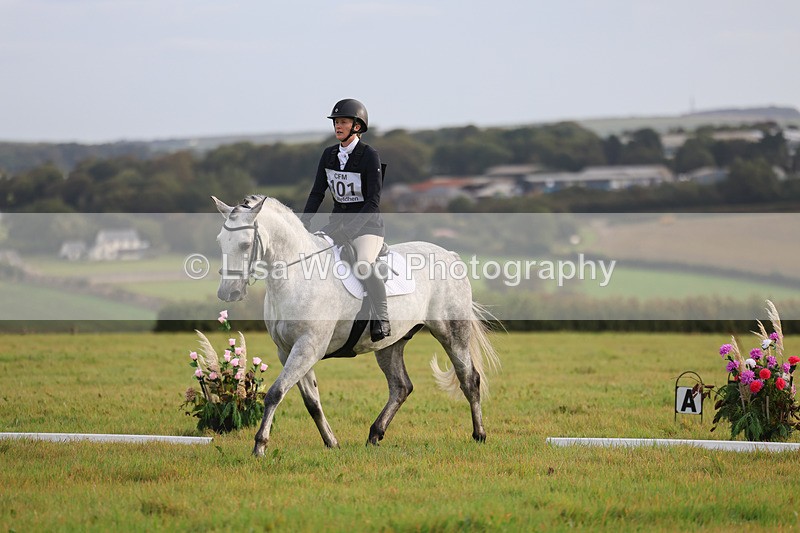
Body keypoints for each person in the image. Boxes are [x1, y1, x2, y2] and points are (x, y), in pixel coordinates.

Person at [300, 98, 390, 342]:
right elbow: (317, 193)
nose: (338, 126)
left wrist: (350, 230)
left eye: (343, 122)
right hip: (337, 224)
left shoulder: (369, 155)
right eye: (336, 122)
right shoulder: (329, 155)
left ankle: (381, 316)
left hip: (367, 226)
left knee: (362, 264)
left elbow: (373, 201)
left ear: (357, 126)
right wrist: (304, 222)